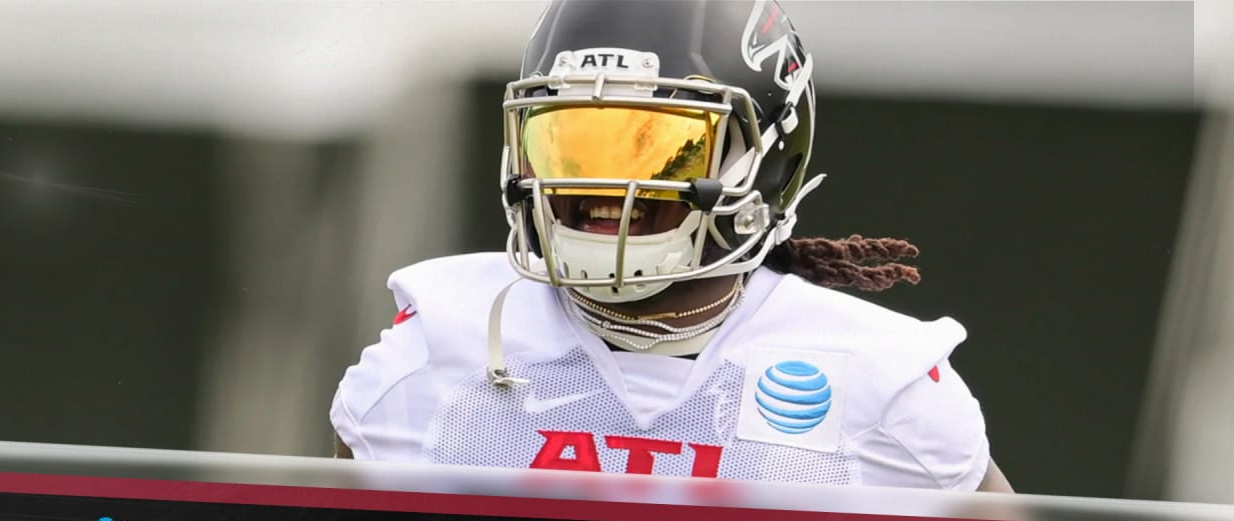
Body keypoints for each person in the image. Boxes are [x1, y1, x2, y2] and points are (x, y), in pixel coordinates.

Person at [331, 0, 1013, 492]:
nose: (606, 186)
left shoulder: (880, 384)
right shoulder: (433, 355)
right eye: (569, 143)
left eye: (663, 150)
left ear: (766, 166)